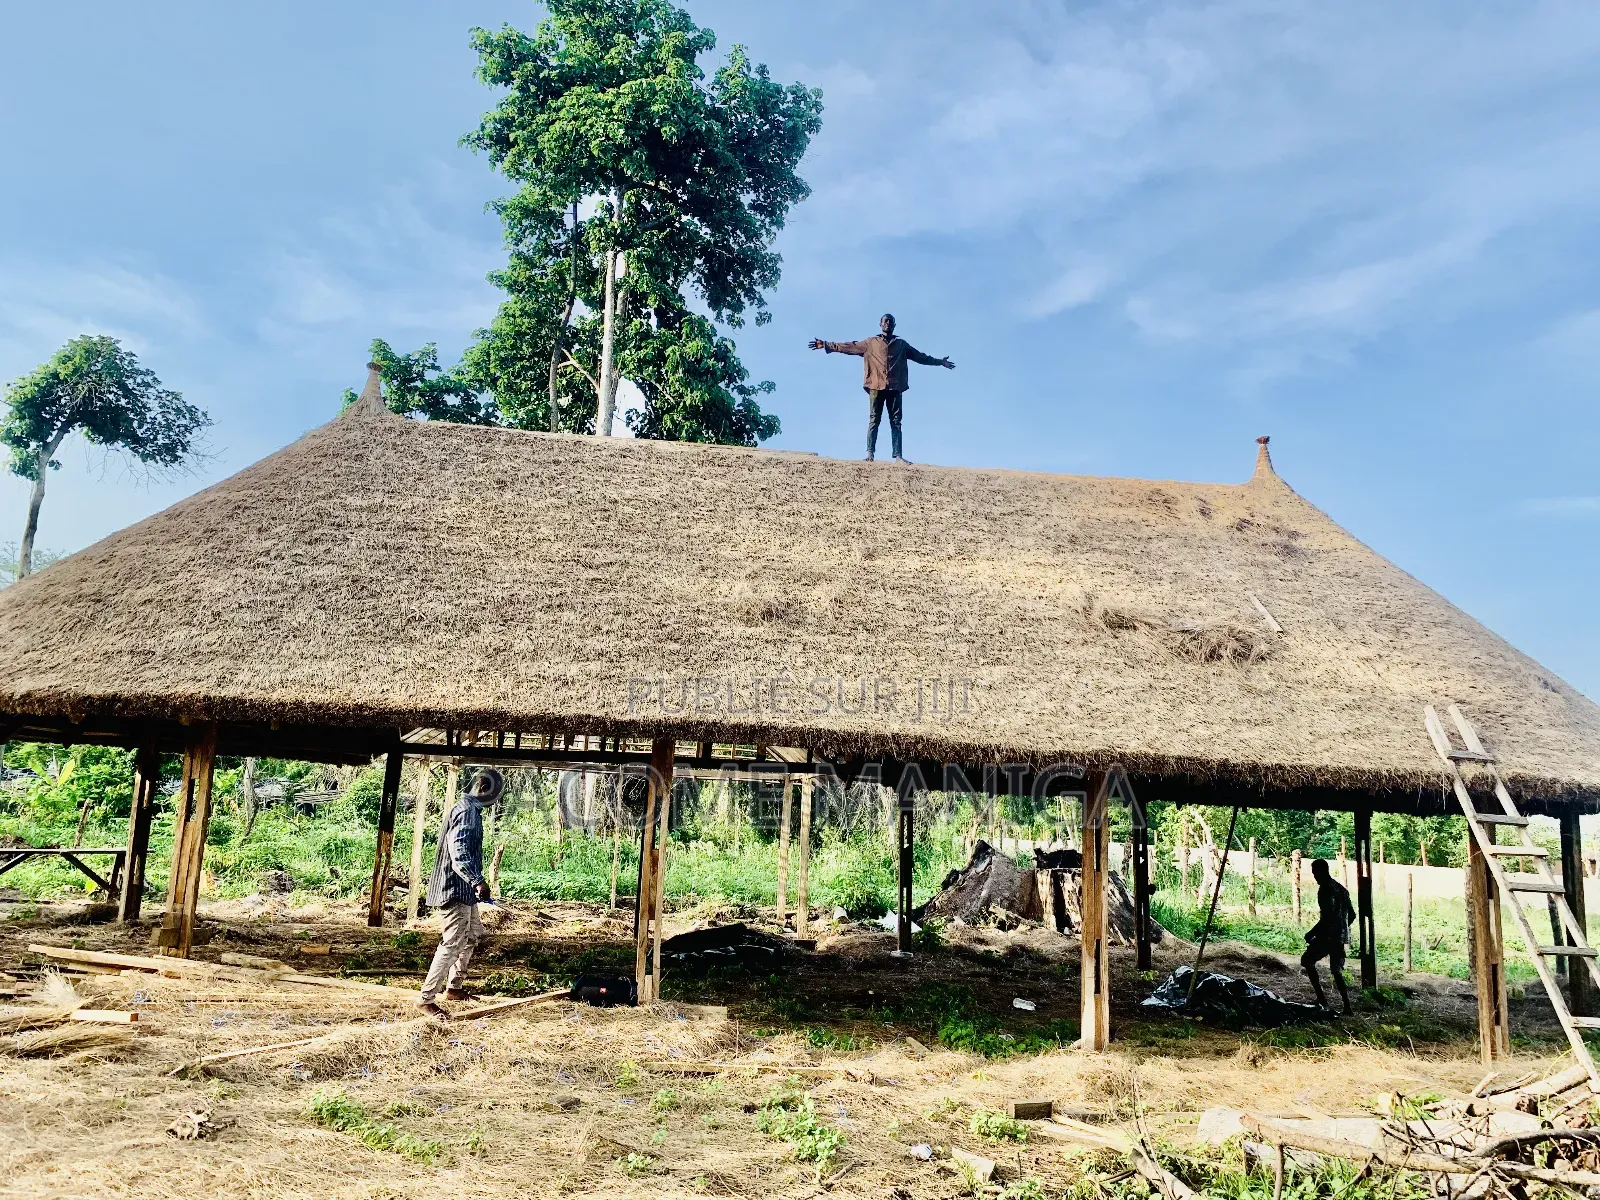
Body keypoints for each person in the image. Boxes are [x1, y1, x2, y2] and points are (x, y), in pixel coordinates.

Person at [810, 313, 954, 462]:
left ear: (894, 325)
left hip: (894, 387)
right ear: (880, 324)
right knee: (874, 419)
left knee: (896, 422)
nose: (888, 323)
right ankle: (870, 454)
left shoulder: (901, 345)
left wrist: (940, 362)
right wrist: (826, 345)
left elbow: (920, 357)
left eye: (890, 321)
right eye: (885, 321)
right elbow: (849, 346)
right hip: (876, 386)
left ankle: (898, 456)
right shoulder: (871, 343)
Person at [417, 768, 502, 1018]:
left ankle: (454, 988)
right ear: (484, 789)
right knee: (452, 942)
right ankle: (425, 999)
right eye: (496, 795)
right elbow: (459, 852)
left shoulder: (469, 809)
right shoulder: (467, 812)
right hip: (455, 887)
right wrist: (478, 881)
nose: (495, 801)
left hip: (464, 889)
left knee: (473, 934)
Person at [1302, 857, 1355, 1014]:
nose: (1314, 877)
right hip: (1340, 937)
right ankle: (1347, 1006)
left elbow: (1327, 917)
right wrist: (1341, 928)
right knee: (1336, 970)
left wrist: (1312, 933)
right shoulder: (1341, 889)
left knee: (1307, 961)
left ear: (1321, 871)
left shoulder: (1325, 889)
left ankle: (1322, 999)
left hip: (1327, 935)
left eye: (1315, 873)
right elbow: (1352, 915)